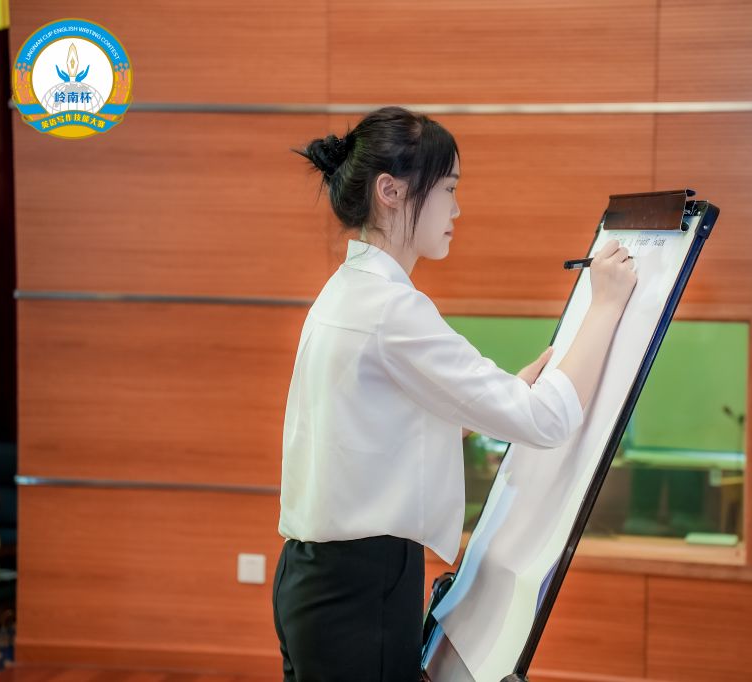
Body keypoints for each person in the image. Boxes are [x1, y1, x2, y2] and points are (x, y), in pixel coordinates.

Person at [272, 106, 636, 682]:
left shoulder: (346, 291)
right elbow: (547, 420)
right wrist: (607, 305)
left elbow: (384, 431)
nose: (456, 209)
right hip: (359, 589)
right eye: (448, 189)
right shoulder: (391, 309)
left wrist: (502, 395)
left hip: (316, 581)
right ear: (391, 192)